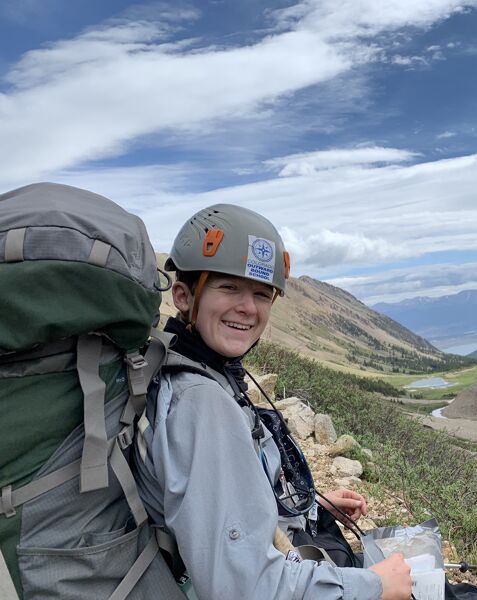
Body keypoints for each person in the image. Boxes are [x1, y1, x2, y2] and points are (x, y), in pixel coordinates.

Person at [133, 203, 411, 600]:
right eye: (228, 287)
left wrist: (306, 509)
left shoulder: (190, 369)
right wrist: (376, 587)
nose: (248, 308)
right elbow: (244, 586)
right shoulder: (202, 405)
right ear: (182, 295)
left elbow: (223, 507)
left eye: (262, 294)